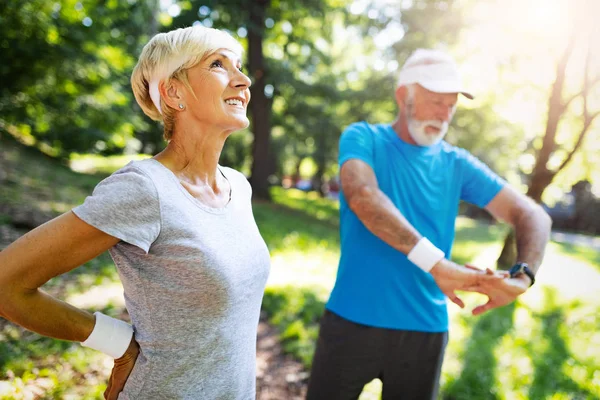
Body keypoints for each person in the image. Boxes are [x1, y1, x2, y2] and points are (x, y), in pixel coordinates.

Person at [0, 25, 271, 399]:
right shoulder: (144, 188)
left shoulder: (238, 187)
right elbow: (6, 284)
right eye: (218, 64)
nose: (242, 81)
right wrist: (118, 341)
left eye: (238, 66)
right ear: (174, 92)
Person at [306, 49, 552, 400]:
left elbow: (534, 215)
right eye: (436, 100)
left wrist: (523, 276)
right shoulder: (364, 138)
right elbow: (362, 196)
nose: (445, 112)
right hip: (351, 319)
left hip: (425, 332)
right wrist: (435, 264)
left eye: (451, 104)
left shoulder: (456, 163)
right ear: (402, 94)